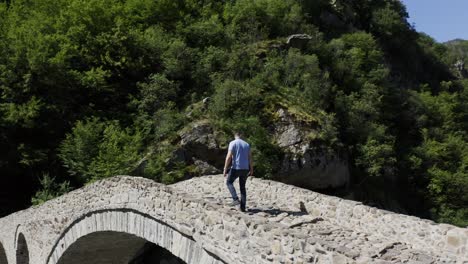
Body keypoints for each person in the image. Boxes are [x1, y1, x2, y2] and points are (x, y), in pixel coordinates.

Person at [223, 131, 253, 212]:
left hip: (236, 168)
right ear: (241, 136)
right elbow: (250, 158)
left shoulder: (233, 143)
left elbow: (229, 157)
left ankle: (235, 199)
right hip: (245, 168)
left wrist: (225, 169)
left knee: (229, 182)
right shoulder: (246, 144)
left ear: (235, 136)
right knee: (242, 187)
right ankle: (242, 208)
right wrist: (251, 169)